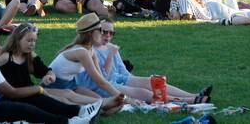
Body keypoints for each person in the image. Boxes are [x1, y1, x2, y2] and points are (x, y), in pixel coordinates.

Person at [0, 27, 98, 124]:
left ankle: (78, 111)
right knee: (26, 109)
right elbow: (13, 93)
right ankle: (67, 122)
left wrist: (39, 87)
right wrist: (38, 89)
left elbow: (42, 69)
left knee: (34, 99)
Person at [76, 20, 212, 103]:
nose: (108, 36)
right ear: (96, 32)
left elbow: (124, 72)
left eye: (112, 33)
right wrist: (111, 55)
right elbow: (103, 79)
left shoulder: (110, 47)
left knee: (151, 81)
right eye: (104, 32)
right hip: (102, 86)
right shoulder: (90, 51)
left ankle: (194, 95)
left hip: (118, 79)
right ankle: (189, 101)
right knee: (142, 92)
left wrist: (140, 81)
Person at [44, 13, 126, 113]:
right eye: (100, 30)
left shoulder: (90, 50)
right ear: (90, 33)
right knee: (92, 104)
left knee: (100, 103)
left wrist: (117, 97)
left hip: (70, 85)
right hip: (53, 86)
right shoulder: (81, 52)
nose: (103, 33)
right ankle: (101, 105)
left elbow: (102, 79)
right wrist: (124, 98)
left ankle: (100, 106)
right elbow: (99, 82)